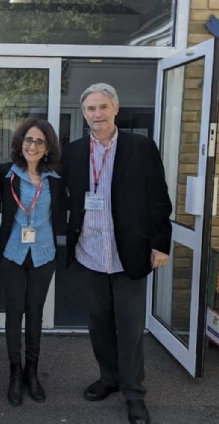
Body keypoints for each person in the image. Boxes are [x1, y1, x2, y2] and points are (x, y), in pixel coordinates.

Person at [60, 83, 172, 424]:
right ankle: (108, 377)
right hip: (90, 251)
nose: (97, 114)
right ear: (84, 114)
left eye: (103, 107)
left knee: (130, 327)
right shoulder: (74, 152)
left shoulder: (141, 147)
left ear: (116, 109)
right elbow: (63, 194)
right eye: (91, 109)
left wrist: (160, 243)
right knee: (99, 323)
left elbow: (158, 197)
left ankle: (134, 393)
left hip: (130, 252)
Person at [0, 117, 62, 406]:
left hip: (43, 254)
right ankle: (14, 374)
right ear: (20, 143)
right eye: (28, 140)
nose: (32, 146)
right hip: (11, 253)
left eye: (39, 142)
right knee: (14, 312)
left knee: (35, 313)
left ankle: (31, 374)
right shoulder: (4, 173)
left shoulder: (56, 179)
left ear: (47, 148)